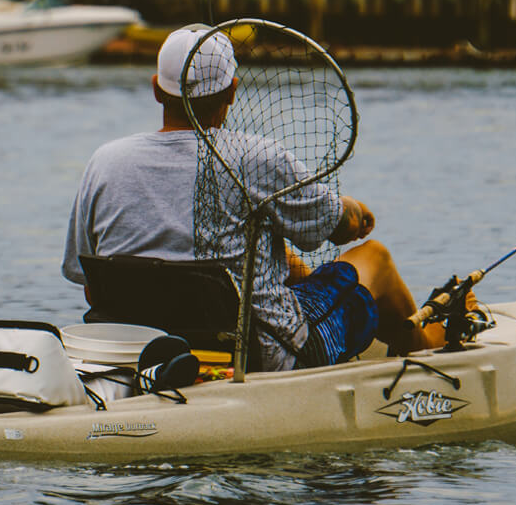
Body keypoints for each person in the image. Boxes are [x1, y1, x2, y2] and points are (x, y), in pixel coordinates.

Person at [62, 25, 466, 372]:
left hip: (136, 352)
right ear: (233, 91)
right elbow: (340, 230)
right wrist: (357, 213)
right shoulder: (256, 156)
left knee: (288, 266)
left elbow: (91, 287)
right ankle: (430, 358)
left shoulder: (105, 161)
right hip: (258, 354)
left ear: (156, 89)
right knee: (374, 258)